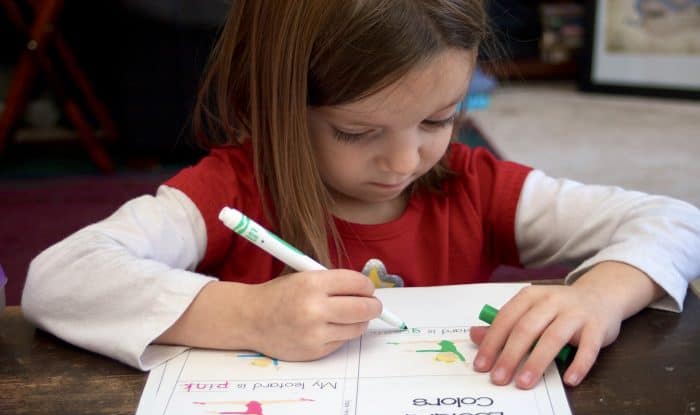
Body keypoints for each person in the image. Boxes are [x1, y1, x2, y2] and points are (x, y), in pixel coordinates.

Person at [21, 0, 700, 390]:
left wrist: (600, 295)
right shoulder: (230, 189)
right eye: (357, 131)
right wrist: (248, 316)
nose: (406, 160)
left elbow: (675, 219)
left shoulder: (471, 184)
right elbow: (61, 280)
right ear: (276, 105)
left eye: (438, 119)